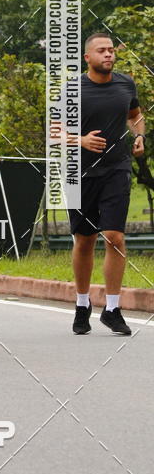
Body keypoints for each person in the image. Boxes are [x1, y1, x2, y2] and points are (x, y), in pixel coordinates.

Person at [69, 33, 145, 336]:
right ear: (88, 57)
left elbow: (136, 117)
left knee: (114, 236)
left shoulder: (126, 84)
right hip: (79, 173)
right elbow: (55, 132)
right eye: (102, 51)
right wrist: (81, 140)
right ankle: (82, 303)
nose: (109, 55)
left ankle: (112, 308)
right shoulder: (73, 89)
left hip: (116, 169)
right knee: (84, 240)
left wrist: (139, 136)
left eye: (112, 50)